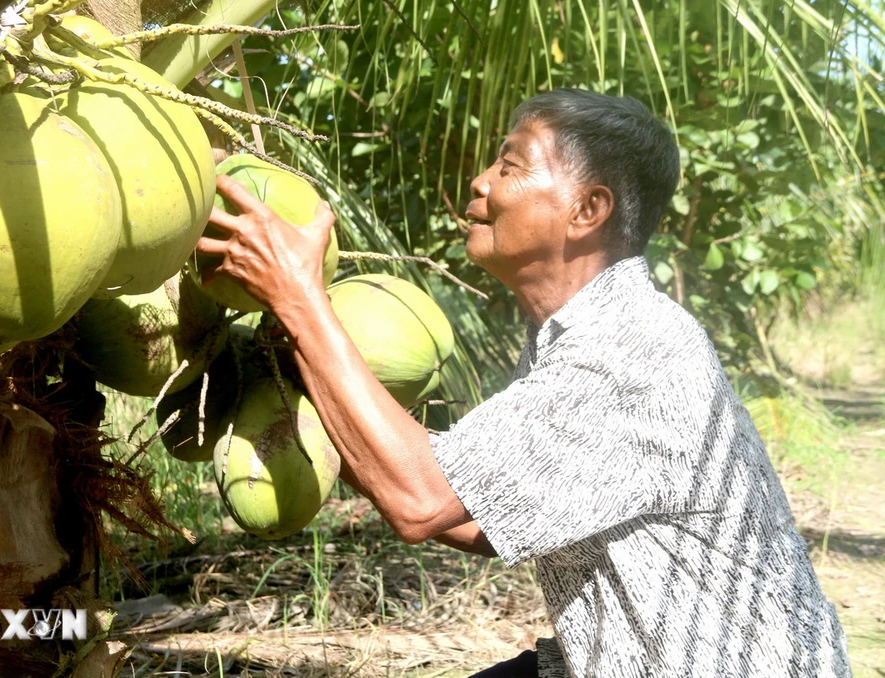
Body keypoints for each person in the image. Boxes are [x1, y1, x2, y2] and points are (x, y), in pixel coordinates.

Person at [195, 89, 851, 677]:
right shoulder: (566, 335)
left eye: (509, 166)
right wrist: (299, 363)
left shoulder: (629, 352)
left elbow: (420, 501)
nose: (479, 183)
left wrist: (300, 301)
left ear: (588, 209)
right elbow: (483, 518)